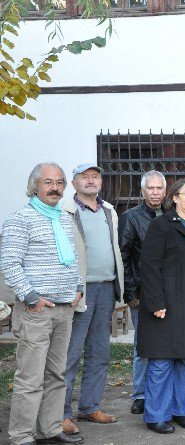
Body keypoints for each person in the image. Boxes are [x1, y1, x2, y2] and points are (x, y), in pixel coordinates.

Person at [1, 162, 84, 445]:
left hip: (64, 309)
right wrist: (31, 298)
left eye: (60, 182)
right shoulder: (19, 219)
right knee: (30, 377)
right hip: (36, 311)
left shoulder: (62, 218)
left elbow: (73, 258)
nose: (55, 188)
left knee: (56, 375)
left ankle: (51, 430)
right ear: (35, 185)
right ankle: (22, 436)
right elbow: (9, 264)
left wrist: (79, 288)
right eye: (48, 182)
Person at [138, 179, 185, 434]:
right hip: (167, 304)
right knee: (162, 360)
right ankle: (156, 414)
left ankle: (179, 410)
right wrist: (155, 301)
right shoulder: (162, 224)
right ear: (175, 198)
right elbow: (149, 264)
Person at [61, 163, 124, 435]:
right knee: (70, 354)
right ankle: (60, 413)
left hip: (106, 288)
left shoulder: (109, 210)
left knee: (100, 353)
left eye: (95, 177)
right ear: (74, 183)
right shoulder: (65, 211)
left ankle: (89, 406)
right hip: (79, 291)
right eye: (84, 177)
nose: (90, 181)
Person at [118, 170, 166, 415]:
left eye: (159, 188)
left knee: (164, 345)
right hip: (142, 291)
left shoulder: (171, 215)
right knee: (143, 345)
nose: (155, 193)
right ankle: (139, 394)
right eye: (151, 188)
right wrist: (131, 293)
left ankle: (159, 392)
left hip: (167, 292)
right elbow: (124, 257)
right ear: (143, 190)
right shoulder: (131, 217)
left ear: (165, 191)